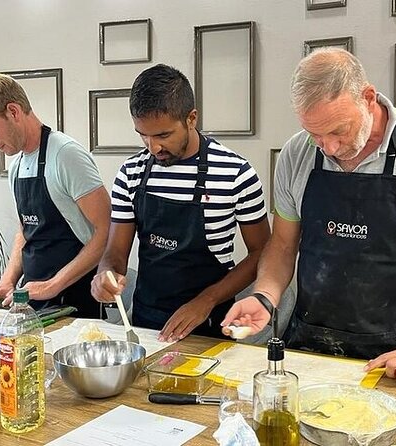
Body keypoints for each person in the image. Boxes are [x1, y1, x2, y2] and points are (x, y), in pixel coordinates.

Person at [222, 48, 396, 384]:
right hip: (308, 348)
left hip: (392, 356)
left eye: (337, 131)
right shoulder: (295, 154)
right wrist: (265, 296)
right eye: (315, 134)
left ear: (368, 98)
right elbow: (283, 245)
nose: (327, 147)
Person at [91, 64, 271, 341]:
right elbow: (115, 253)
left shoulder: (234, 173)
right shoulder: (131, 173)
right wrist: (105, 274)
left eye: (163, 135)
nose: (153, 148)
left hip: (211, 324)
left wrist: (206, 300)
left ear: (191, 118)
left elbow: (261, 252)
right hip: (147, 323)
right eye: (143, 135)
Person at [0, 71, 111, 317]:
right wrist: (8, 280)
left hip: (73, 301)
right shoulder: (17, 166)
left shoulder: (66, 156)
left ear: (13, 112)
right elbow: (26, 230)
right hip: (32, 297)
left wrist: (53, 285)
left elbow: (107, 231)